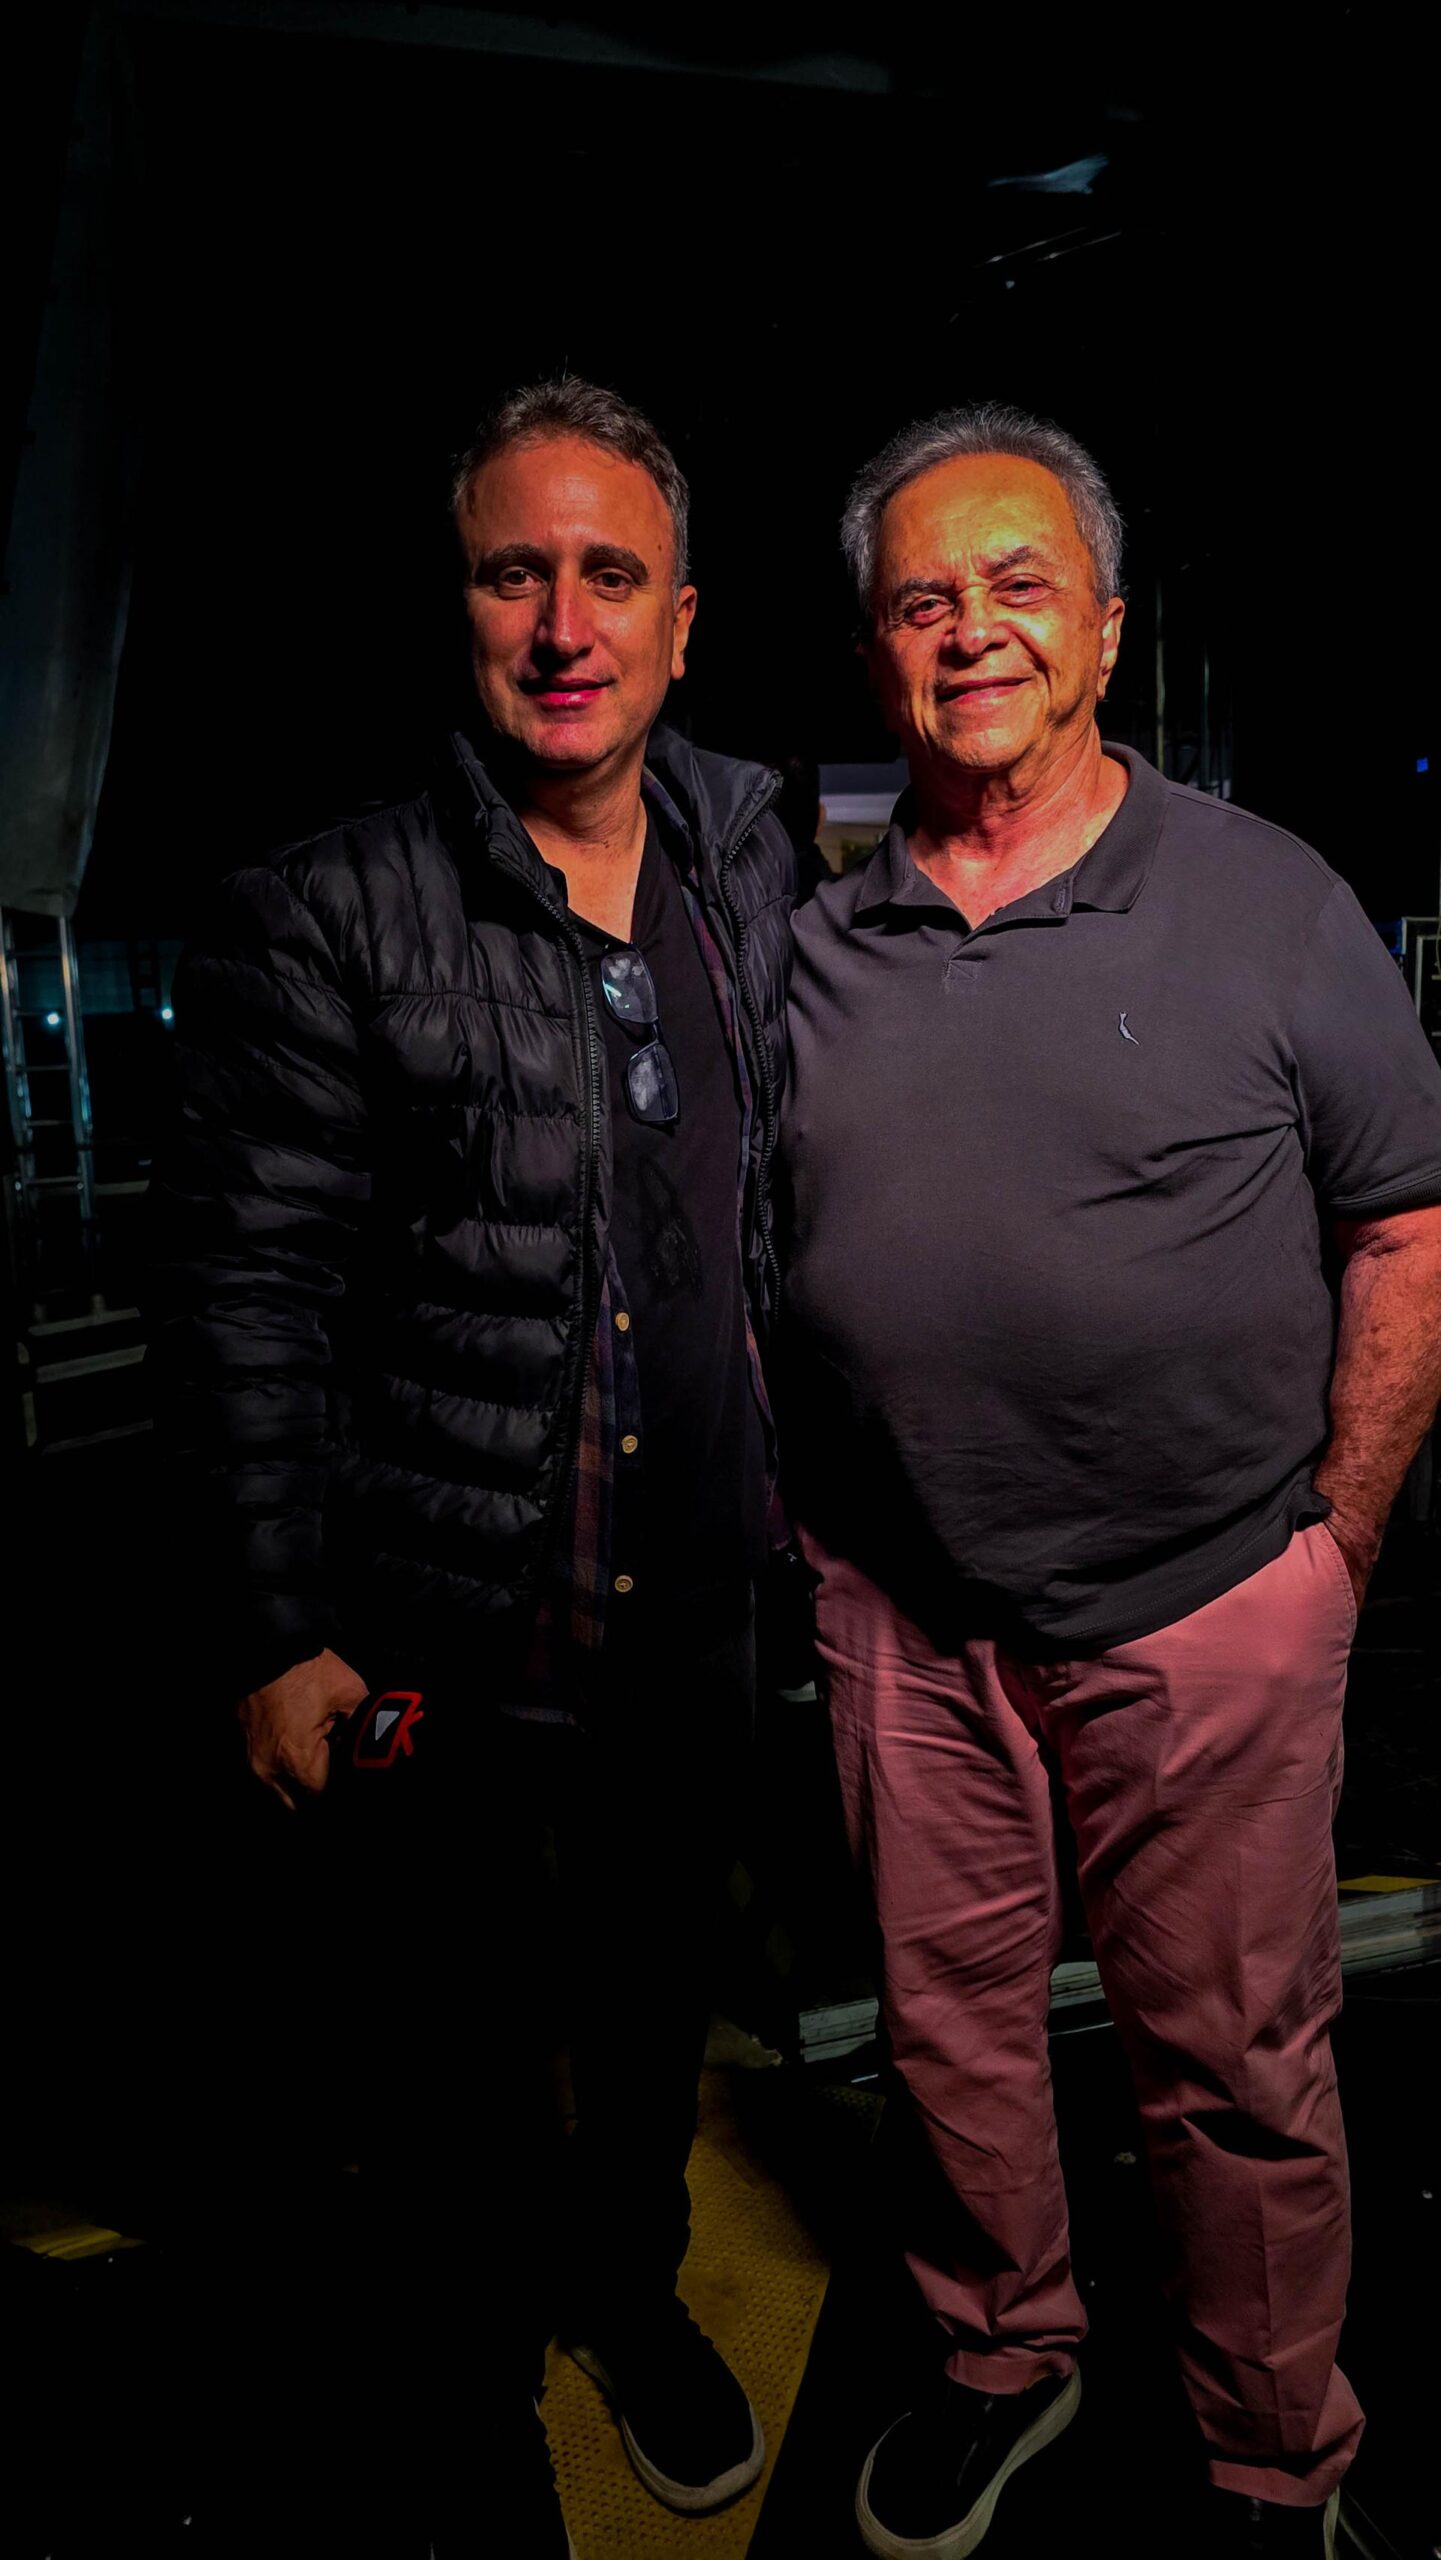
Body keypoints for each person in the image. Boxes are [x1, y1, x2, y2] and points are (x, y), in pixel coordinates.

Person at [779, 401, 1441, 2558]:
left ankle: (1269, 2450)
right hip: (906, 1619)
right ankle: (1004, 2355)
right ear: (876, 652)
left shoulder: (1266, 900)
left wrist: (1333, 1543)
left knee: (1235, 2067)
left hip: (1208, 1604)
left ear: (1108, 627)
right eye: (921, 599)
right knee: (949, 2035)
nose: (970, 628)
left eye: (1017, 583)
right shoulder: (815, 948)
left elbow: (1406, 1225)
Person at [148, 378, 794, 2556]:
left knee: (649, 2017)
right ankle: (467, 2385)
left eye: (610, 574)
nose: (562, 622)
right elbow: (241, 1287)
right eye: (517, 572)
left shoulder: (747, 858)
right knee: (445, 2058)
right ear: (461, 605)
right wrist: (274, 1630)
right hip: (447, 1622)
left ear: (683, 619)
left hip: (695, 1613)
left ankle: (626, 2291)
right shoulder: (332, 905)